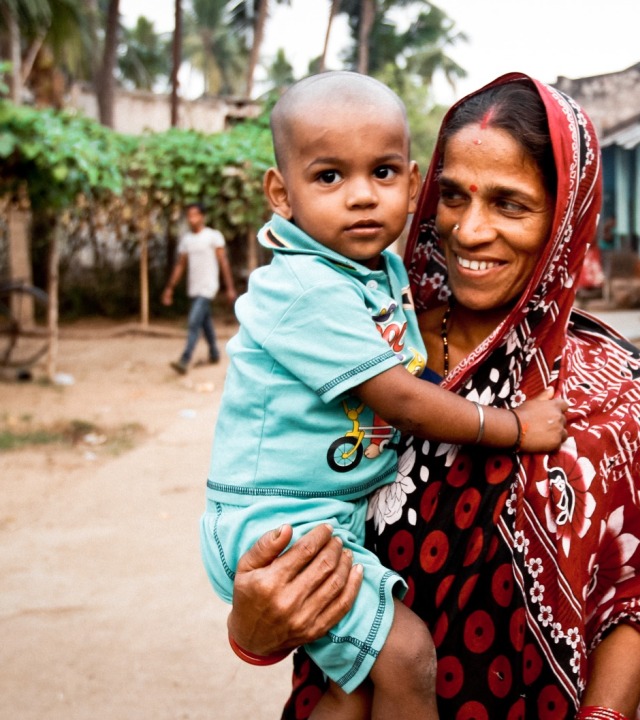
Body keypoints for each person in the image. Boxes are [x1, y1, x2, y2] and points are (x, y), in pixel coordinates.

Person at [225, 73, 640, 719]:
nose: (468, 231)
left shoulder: (614, 385)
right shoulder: (369, 340)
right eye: (454, 196)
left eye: (509, 204)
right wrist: (253, 629)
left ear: (564, 214)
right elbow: (276, 518)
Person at [200, 72, 568, 720]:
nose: (363, 197)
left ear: (411, 181)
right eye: (329, 178)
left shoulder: (375, 275)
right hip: (290, 524)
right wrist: (510, 426)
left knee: (355, 685)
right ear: (279, 194)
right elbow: (397, 395)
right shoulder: (309, 286)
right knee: (406, 656)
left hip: (318, 513)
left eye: (384, 172)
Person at [161, 202, 237, 374]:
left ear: (202, 216)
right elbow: (180, 265)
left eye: (195, 215)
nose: (191, 219)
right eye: (189, 215)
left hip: (208, 287)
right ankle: (215, 353)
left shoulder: (213, 236)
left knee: (194, 321)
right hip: (193, 288)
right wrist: (170, 288)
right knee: (205, 322)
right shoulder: (187, 240)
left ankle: (184, 360)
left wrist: (229, 287)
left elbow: (223, 262)